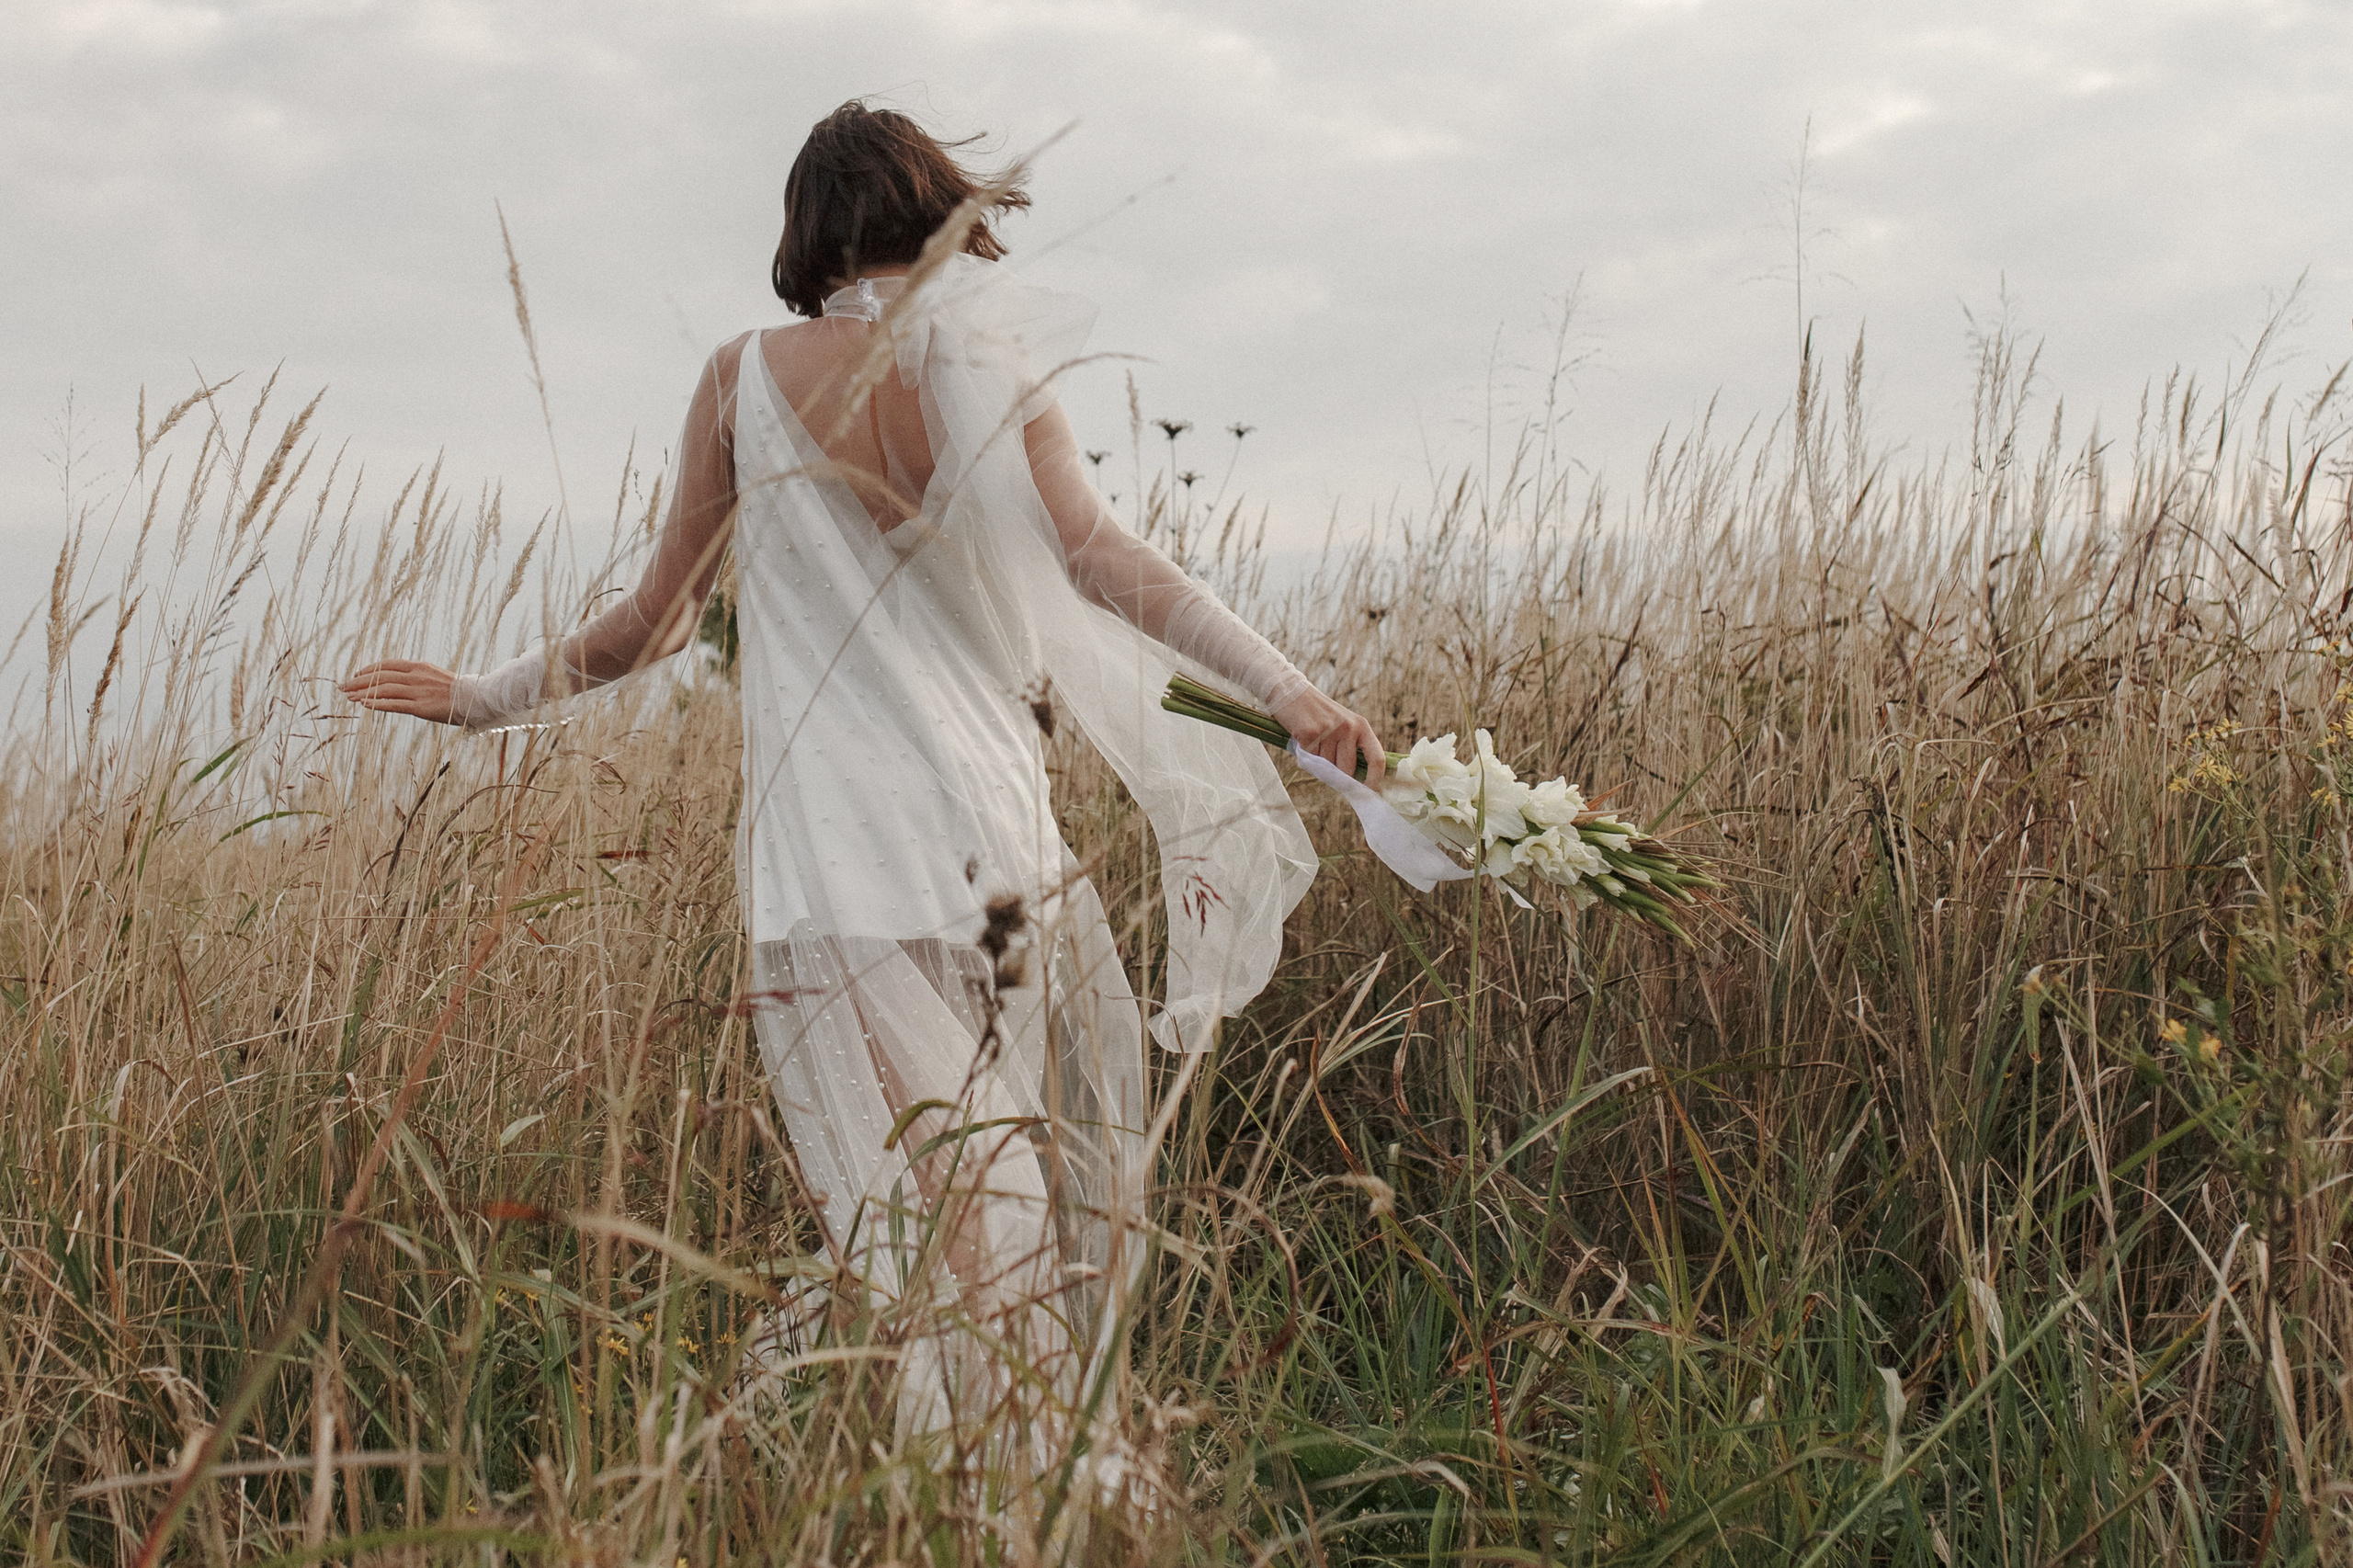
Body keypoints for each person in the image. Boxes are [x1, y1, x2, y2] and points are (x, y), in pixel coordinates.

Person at [341, 100, 1384, 1464]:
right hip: (999, 841)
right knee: (986, 1215)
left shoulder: (740, 378)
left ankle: (995, 1500)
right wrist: (1288, 691)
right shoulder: (994, 373)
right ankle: (992, 1489)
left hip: (840, 865)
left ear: (805, 237)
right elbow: (1110, 562)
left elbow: (649, 626)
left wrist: (483, 701)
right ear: (936, 208)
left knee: (945, 1230)